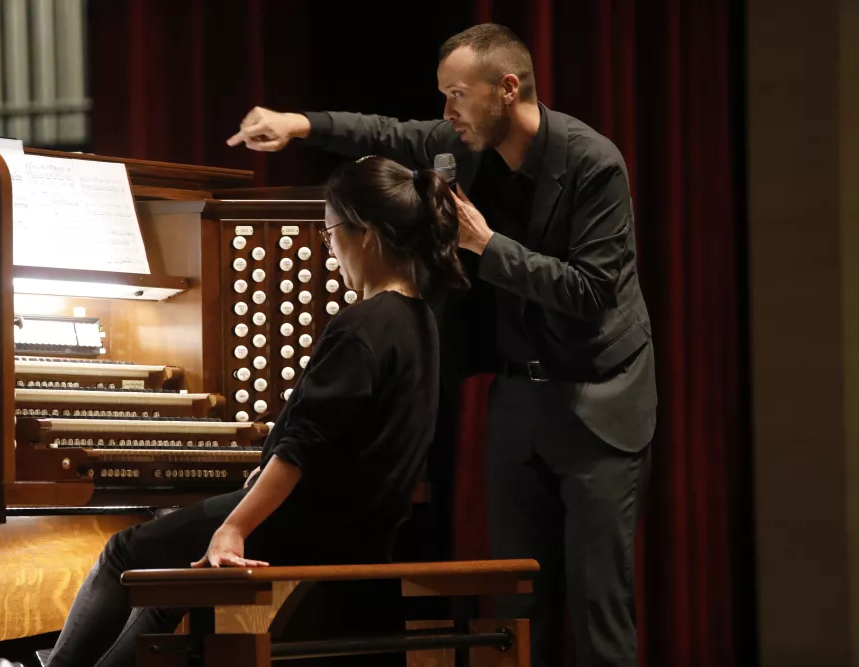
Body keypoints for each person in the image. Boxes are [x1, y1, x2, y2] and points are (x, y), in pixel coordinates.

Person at [226, 23, 656, 667]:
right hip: (518, 397)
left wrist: (488, 246)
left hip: (598, 401)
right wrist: (298, 123)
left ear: (506, 90)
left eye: (456, 95)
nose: (446, 112)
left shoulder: (593, 163)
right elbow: (386, 133)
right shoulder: (467, 144)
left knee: (599, 608)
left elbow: (592, 292)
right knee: (519, 609)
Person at [24, 156, 470, 667]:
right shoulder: (421, 322)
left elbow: (302, 447)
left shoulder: (363, 324)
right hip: (359, 528)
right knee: (174, 588)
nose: (331, 250)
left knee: (122, 554)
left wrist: (234, 525)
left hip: (302, 524)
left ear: (366, 234)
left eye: (329, 235)